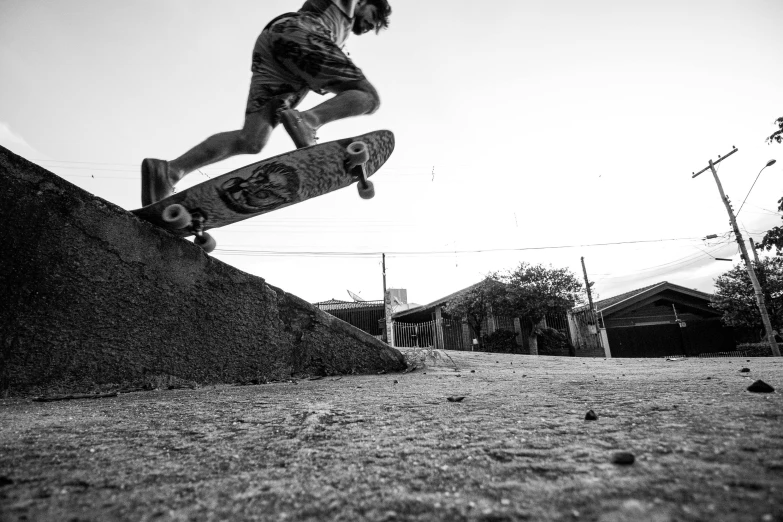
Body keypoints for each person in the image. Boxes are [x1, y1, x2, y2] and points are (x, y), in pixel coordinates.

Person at [141, 0, 392, 206]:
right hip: (300, 32)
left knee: (251, 140)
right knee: (368, 97)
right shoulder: (343, 5)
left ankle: (170, 171)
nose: (371, 26)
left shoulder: (340, 30)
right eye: (374, 17)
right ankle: (309, 121)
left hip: (276, 51)